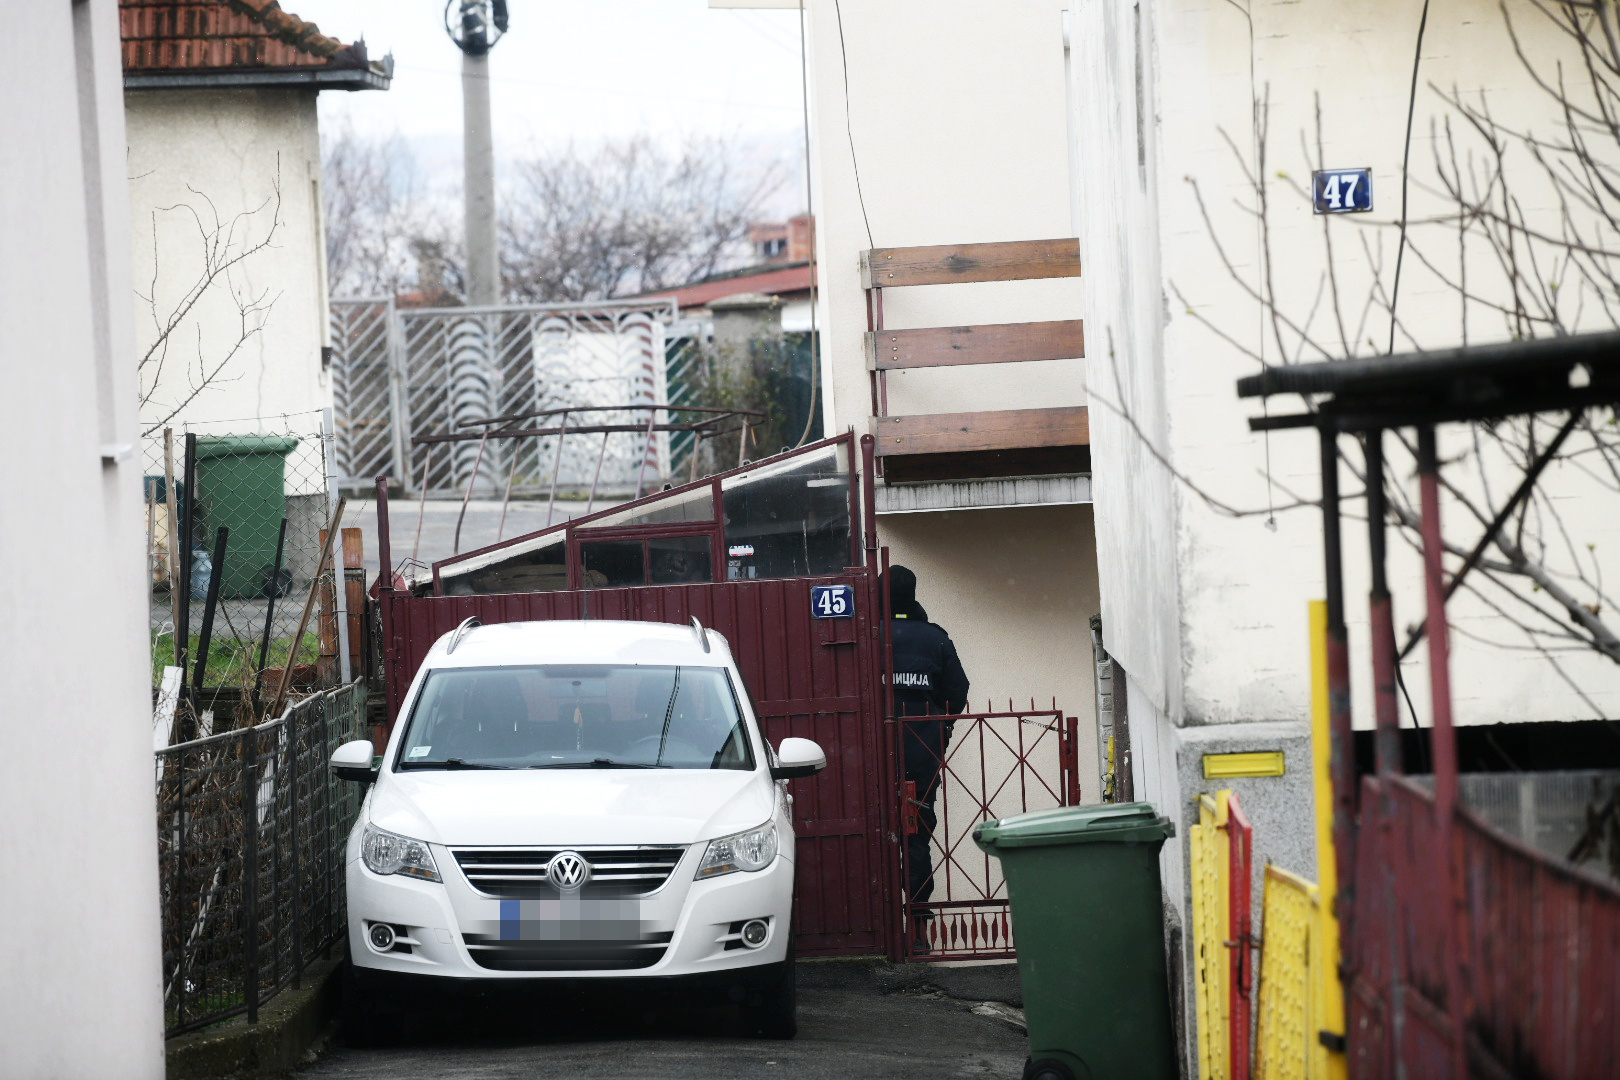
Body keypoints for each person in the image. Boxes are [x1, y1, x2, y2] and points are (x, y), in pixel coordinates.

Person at [886, 565, 970, 952]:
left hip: (875, 754)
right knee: (916, 832)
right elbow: (958, 690)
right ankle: (918, 927)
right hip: (922, 751)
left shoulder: (872, 636)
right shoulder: (935, 639)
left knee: (876, 834)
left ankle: (879, 925)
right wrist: (940, 726)